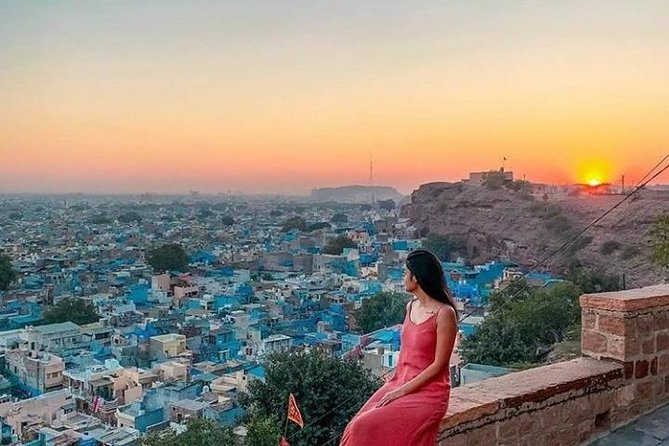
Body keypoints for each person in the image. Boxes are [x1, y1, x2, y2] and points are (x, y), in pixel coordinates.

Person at [340, 249, 458, 446]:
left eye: (405, 273)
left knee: (365, 426)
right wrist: (396, 382)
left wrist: (401, 392)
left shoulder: (444, 313)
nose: (403, 278)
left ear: (417, 278)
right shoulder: (411, 306)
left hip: (428, 392)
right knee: (355, 425)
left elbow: (439, 365)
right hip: (400, 381)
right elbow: (409, 352)